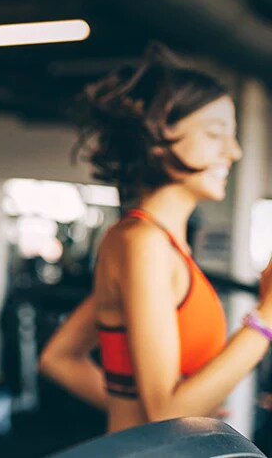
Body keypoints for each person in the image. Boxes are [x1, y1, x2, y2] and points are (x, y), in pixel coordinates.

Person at [39, 43, 272, 433]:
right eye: (215, 134)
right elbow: (165, 412)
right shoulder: (143, 244)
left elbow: (58, 358)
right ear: (159, 140)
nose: (233, 152)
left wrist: (150, 411)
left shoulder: (154, 243)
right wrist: (266, 318)